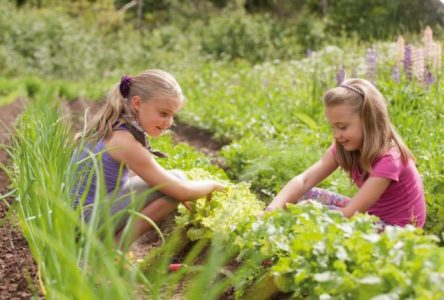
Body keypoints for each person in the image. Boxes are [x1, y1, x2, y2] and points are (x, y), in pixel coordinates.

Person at [71, 69, 224, 248]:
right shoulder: (124, 141)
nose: (168, 122)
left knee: (174, 177)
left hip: (75, 216)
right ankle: (111, 249)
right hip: (84, 223)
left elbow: (136, 178)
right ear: (137, 103)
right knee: (173, 186)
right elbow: (182, 191)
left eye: (172, 115)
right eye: (163, 113)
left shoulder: (112, 125)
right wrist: (212, 185)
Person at [265, 78, 426, 228]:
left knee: (312, 213)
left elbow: (351, 213)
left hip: (396, 232)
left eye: (342, 127)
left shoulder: (390, 159)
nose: (336, 134)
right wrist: (271, 211)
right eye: (333, 127)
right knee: (302, 194)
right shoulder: (345, 148)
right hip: (371, 217)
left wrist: (308, 213)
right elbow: (304, 180)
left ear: (368, 121)